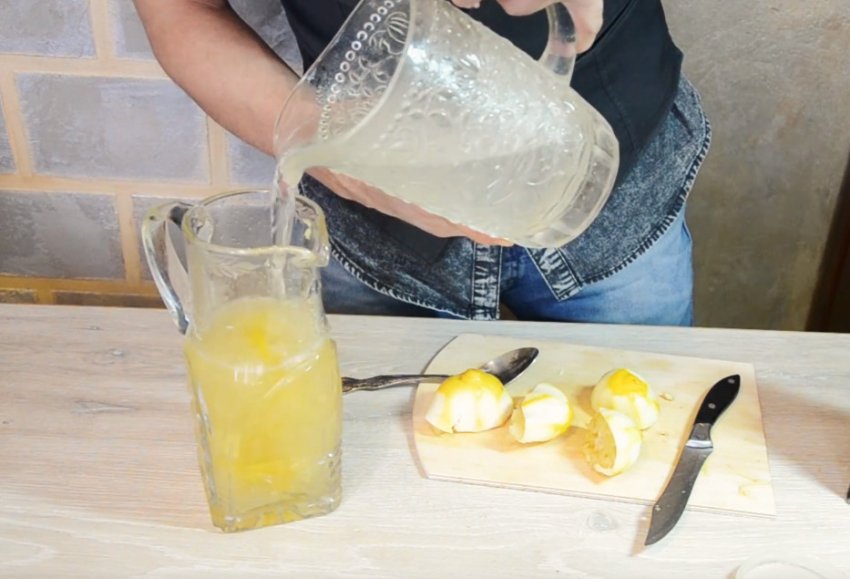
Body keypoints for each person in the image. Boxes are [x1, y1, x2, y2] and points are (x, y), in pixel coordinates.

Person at [134, 0, 710, 325]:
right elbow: (179, 9)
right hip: (372, 223)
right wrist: (326, 146)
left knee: (640, 431)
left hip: (608, 178)